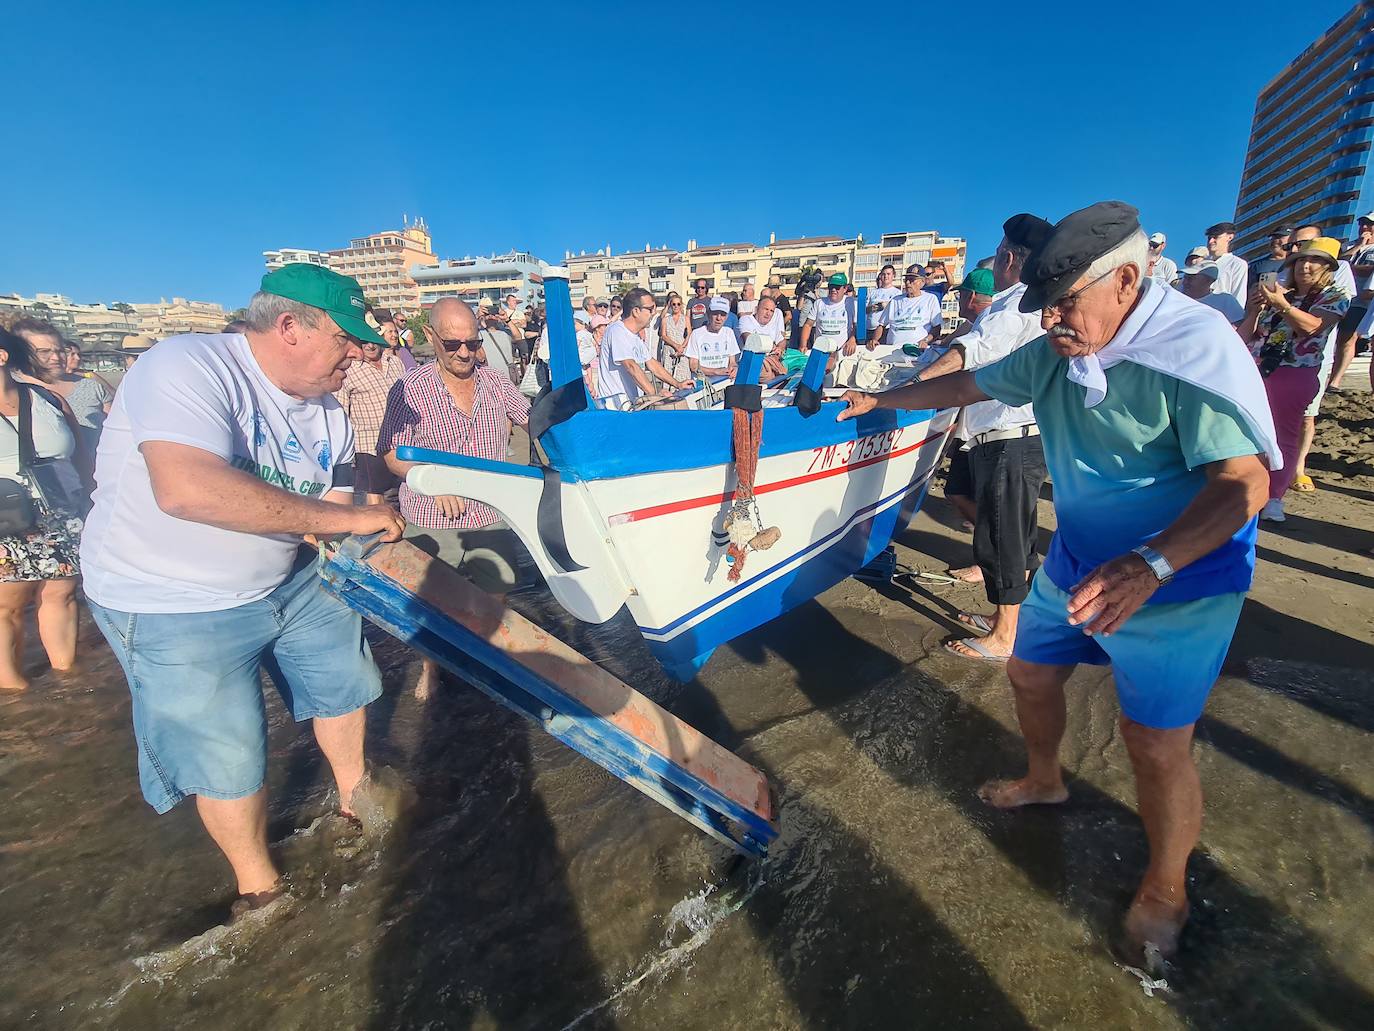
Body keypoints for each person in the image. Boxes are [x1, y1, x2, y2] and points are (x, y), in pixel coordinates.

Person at [838, 201, 1276, 965]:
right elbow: (969, 385)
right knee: (1032, 673)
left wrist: (1152, 564)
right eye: (1045, 307)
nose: (1051, 323)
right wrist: (885, 399)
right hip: (1078, 558)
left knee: (1153, 741)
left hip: (1183, 573)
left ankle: (1167, 886)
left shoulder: (1192, 349)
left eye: (1067, 303)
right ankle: (1046, 780)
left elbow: (1244, 484)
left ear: (1129, 281)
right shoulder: (1055, 351)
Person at [80, 264, 406, 913]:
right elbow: (187, 489)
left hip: (289, 577)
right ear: (288, 326)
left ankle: (354, 799)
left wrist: (354, 532)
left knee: (343, 678)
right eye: (346, 338)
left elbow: (331, 506)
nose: (361, 353)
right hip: (170, 597)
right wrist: (347, 519)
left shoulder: (332, 415)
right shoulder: (186, 367)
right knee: (227, 750)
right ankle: (260, 888)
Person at [912, 213, 1053, 660]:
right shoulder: (1026, 303)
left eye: (996, 255)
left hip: (1009, 436)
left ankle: (1004, 636)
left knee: (1004, 536)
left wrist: (907, 391)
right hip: (1008, 435)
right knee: (1009, 531)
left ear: (1009, 257)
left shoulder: (1013, 306)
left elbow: (968, 354)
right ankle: (1006, 621)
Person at [377, 297, 531, 701]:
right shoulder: (409, 388)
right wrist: (430, 480)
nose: (465, 353)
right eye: (452, 344)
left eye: (472, 342)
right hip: (431, 514)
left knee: (496, 590)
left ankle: (484, 655)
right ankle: (432, 669)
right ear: (430, 337)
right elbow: (392, 453)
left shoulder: (494, 381)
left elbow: (531, 418)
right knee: (433, 603)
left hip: (489, 511)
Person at [0, 327, 87, 692]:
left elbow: (83, 456)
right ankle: (14, 690)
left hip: (63, 509)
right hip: (6, 516)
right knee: (8, 606)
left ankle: (67, 681)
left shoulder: (47, 400)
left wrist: (93, 500)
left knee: (61, 594)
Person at [1239, 237, 1349, 522]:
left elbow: (1312, 327)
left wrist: (1281, 304)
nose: (1306, 266)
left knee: (1284, 435)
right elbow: (1244, 337)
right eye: (1301, 260)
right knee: (1249, 434)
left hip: (1295, 372)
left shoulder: (1335, 296)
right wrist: (1254, 310)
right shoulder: (1280, 293)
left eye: (1315, 261)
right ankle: (1246, 491)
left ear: (1327, 267)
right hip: (1257, 369)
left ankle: (1275, 496)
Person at [1285, 223, 1359, 491]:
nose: (1297, 252)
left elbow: (1319, 321)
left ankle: (1298, 468)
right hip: (1274, 361)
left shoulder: (1340, 277)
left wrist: (1281, 304)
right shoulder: (1285, 281)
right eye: (1293, 247)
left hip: (1313, 358)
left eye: (1303, 245)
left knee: (1306, 415)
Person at [11, 318, 113, 465]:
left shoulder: (91, 387)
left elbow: (116, 430)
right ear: (20, 353)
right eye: (44, 351)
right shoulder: (12, 390)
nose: (56, 357)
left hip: (93, 477)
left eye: (60, 351)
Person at [334, 331, 406, 499]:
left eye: (373, 340)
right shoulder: (349, 369)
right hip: (368, 446)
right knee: (375, 497)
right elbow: (340, 413)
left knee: (401, 495)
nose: (371, 346)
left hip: (399, 444)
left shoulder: (395, 362)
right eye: (364, 341)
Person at [595, 287, 687, 410]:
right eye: (650, 309)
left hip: (630, 405)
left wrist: (677, 384)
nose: (654, 313)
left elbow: (652, 363)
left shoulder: (635, 336)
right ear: (636, 311)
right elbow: (630, 366)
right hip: (616, 409)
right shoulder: (617, 331)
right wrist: (655, 394)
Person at [1330, 212, 1374, 390]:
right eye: (1362, 224)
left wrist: (1350, 268)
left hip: (1363, 300)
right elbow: (1336, 264)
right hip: (1340, 296)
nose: (1364, 228)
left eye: (1369, 225)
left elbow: (1368, 270)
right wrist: (1358, 246)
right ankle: (1333, 376)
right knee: (1337, 339)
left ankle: (1336, 380)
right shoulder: (1350, 246)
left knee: (1348, 338)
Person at [867, 265, 943, 358]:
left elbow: (937, 328)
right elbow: (881, 325)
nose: (907, 283)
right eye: (906, 279)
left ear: (922, 282)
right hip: (892, 352)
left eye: (912, 280)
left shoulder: (930, 299)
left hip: (917, 352)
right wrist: (874, 339)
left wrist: (925, 340)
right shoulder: (895, 300)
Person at [799, 273, 857, 357]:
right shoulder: (819, 303)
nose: (833, 289)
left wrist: (852, 338)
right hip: (821, 351)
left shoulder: (852, 303)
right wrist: (803, 345)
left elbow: (856, 325)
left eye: (837, 287)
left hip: (842, 352)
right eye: (831, 286)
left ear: (845, 289)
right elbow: (808, 325)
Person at [684, 297, 741, 379]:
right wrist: (715, 371)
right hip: (703, 383)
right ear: (708, 313)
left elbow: (732, 361)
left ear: (727, 316)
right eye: (715, 313)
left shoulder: (729, 332)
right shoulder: (697, 334)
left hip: (724, 382)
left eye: (723, 314)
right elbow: (693, 366)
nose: (719, 318)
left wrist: (734, 368)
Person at [1176, 263, 1245, 326]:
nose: (1185, 282)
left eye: (1191, 278)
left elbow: (1240, 327)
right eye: (1185, 277)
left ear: (1208, 281)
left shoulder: (1225, 301)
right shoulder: (1177, 300)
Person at [738, 294, 787, 376]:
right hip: (750, 363)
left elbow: (782, 340)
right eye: (766, 309)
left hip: (769, 362)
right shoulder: (746, 320)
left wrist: (779, 348)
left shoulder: (772, 326)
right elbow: (749, 339)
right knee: (768, 373)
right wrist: (772, 346)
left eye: (772, 311)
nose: (768, 313)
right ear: (757, 309)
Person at [1204, 221, 1248, 307]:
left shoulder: (1237, 264)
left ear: (1230, 237)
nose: (1210, 241)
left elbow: (1238, 297)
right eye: (1209, 238)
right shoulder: (1201, 264)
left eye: (1215, 237)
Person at [657, 291, 691, 382]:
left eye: (678, 304)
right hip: (669, 351)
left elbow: (689, 334)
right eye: (674, 304)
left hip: (682, 351)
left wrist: (682, 347)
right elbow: (663, 335)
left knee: (683, 378)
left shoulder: (686, 319)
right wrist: (676, 346)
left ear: (681, 305)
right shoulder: (665, 319)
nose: (676, 306)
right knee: (669, 378)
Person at [865, 264, 901, 335]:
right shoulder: (873, 292)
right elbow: (865, 310)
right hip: (870, 329)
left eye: (888, 274)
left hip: (886, 330)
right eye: (883, 274)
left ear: (893, 276)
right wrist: (872, 308)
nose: (886, 276)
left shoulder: (897, 293)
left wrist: (884, 305)